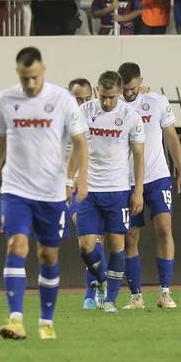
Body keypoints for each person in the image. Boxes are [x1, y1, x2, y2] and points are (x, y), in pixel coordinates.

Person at [0, 47, 89, 340]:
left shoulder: (63, 100)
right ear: (18, 73)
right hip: (16, 190)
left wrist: (82, 179)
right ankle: (16, 320)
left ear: (43, 68)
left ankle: (46, 322)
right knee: (17, 247)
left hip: (51, 192)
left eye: (34, 77)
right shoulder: (5, 100)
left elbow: (80, 142)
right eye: (24, 78)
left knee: (48, 255)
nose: (30, 84)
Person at [68, 71, 145, 313]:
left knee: (116, 243)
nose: (107, 102)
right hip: (88, 189)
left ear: (120, 93)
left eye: (111, 97)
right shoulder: (84, 111)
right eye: (103, 96)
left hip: (118, 189)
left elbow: (139, 156)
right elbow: (76, 147)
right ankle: (101, 279)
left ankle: (110, 300)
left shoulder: (131, 116)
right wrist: (68, 180)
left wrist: (138, 191)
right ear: (98, 91)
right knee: (86, 245)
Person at [118, 62, 181, 310]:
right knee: (129, 238)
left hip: (158, 176)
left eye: (132, 88)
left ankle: (165, 292)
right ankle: (136, 296)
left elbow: (171, 137)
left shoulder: (157, 101)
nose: (128, 93)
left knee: (165, 229)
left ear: (140, 82)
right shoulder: (113, 107)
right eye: (124, 89)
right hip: (126, 180)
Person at [67, 76, 105, 310]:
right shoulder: (58, 119)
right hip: (67, 187)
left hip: (95, 185)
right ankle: (98, 285)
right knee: (87, 239)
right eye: (76, 98)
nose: (81, 103)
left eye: (85, 98)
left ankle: (95, 290)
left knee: (94, 240)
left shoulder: (98, 117)